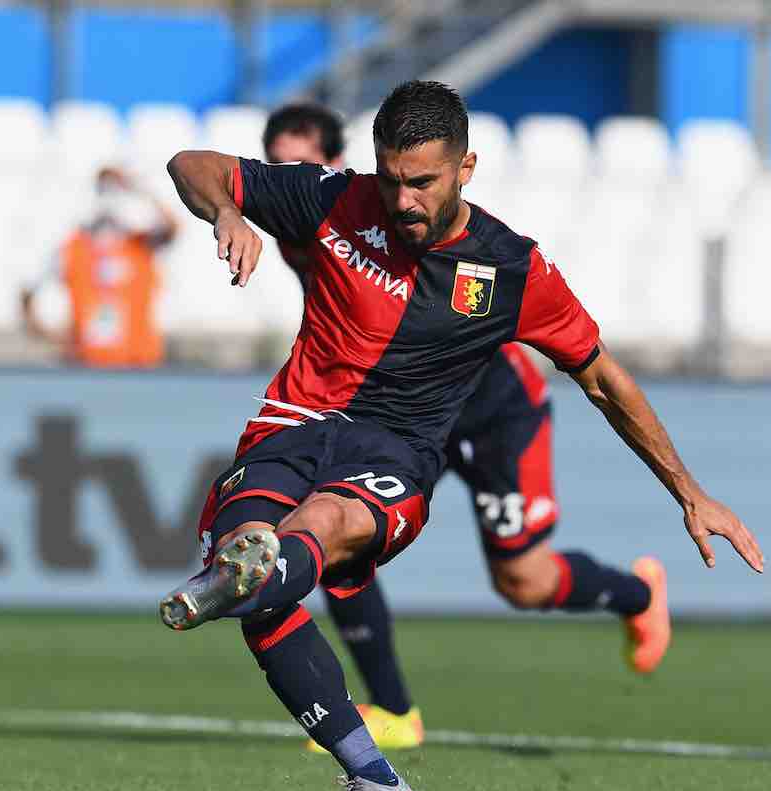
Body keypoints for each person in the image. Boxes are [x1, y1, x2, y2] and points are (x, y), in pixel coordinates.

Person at [159, 81, 763, 791]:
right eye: (391, 180)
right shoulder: (334, 200)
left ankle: (254, 573)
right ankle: (375, 779)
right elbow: (191, 163)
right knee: (251, 567)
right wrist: (227, 210)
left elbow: (604, 379)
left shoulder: (511, 270)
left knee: (409, 549)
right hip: (292, 427)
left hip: (403, 448)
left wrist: (689, 491)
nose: (403, 200)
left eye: (422, 182)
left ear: (466, 168)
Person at [259, 103, 681, 757]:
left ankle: (636, 592)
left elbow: (588, 365)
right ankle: (395, 709)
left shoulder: (391, 216)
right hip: (397, 421)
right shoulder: (312, 221)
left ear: (338, 163)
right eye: (280, 159)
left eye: (305, 161)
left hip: (492, 409)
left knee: (524, 581)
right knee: (334, 534)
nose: (294, 172)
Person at [22, 166, 177, 368]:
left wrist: (137, 187)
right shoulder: (72, 247)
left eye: (114, 191)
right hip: (86, 365)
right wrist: (57, 339)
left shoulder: (139, 245)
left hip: (138, 365)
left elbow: (172, 227)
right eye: (103, 191)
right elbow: (27, 295)